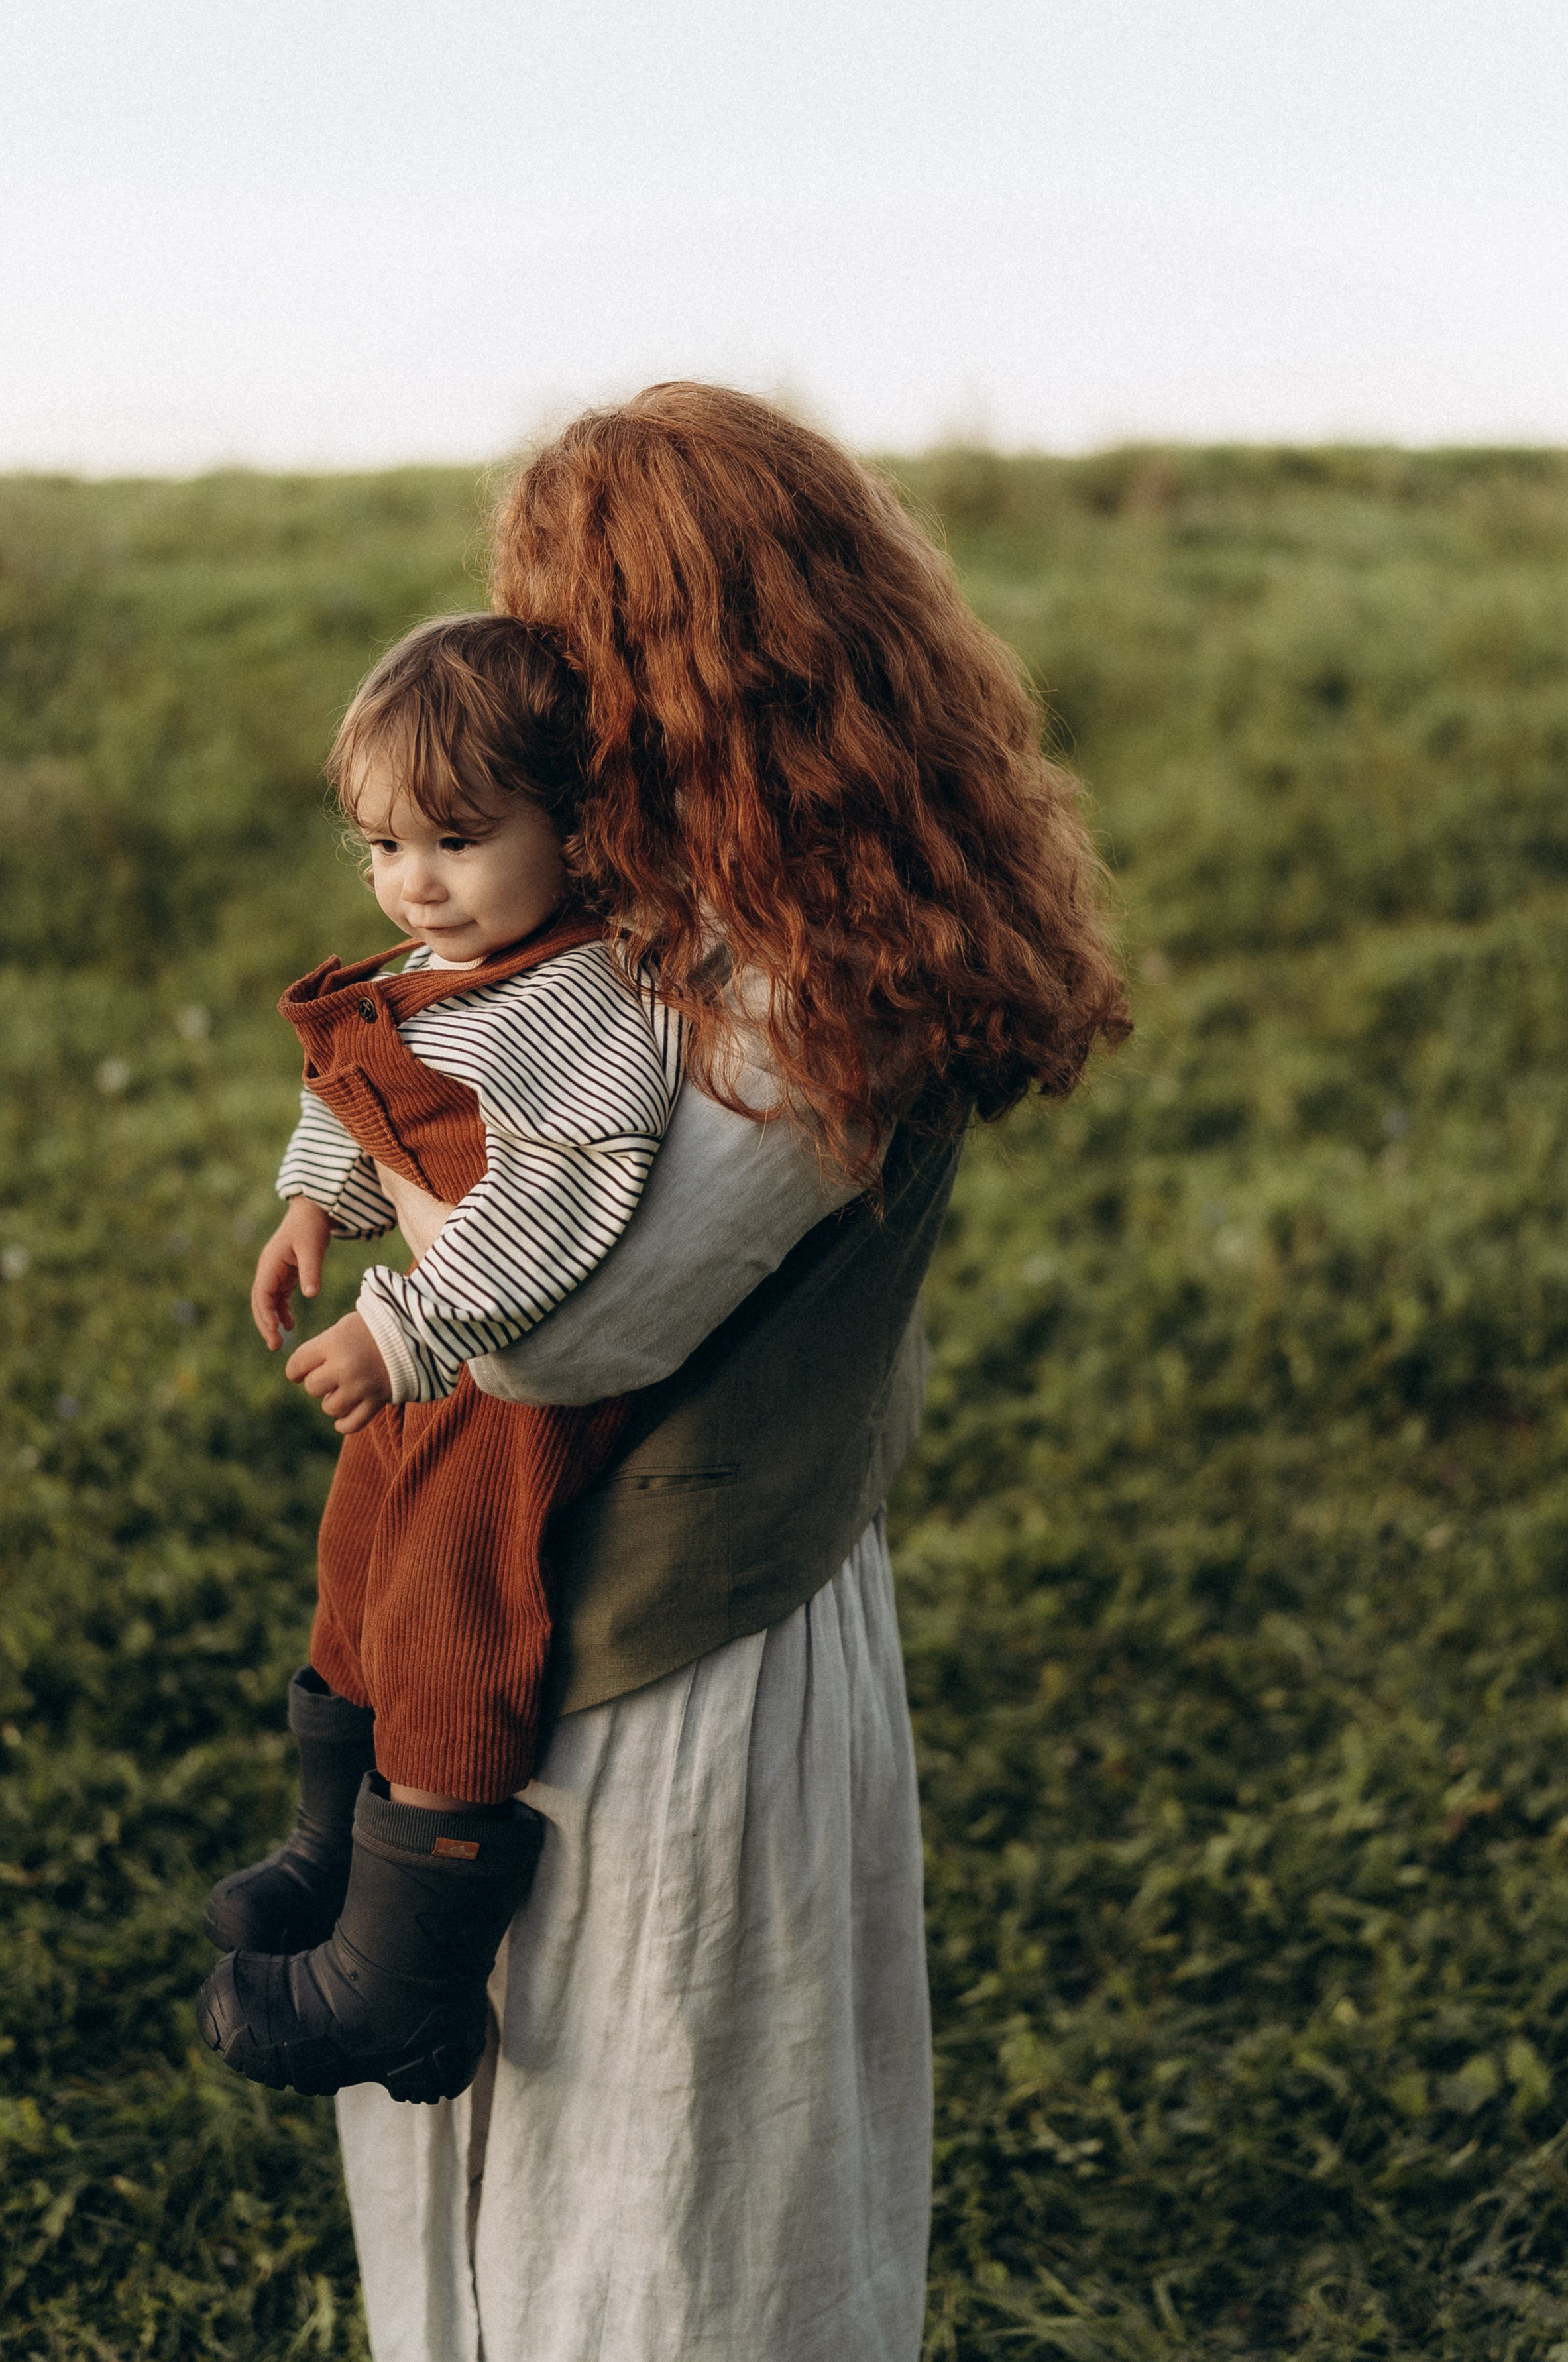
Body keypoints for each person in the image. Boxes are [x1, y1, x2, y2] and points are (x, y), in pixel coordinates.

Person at [302, 384, 1129, 2362]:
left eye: (565, 643)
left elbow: (572, 1332)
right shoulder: (673, 921)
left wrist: (415, 1153)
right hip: (596, 1612)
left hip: (688, 1659)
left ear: (681, 665)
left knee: (659, 2188)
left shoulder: (813, 978)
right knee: (539, 2135)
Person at [196, 614, 684, 2104]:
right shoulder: (458, 952)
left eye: (456, 841)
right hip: (431, 1347)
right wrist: (312, 1210)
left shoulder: (588, 1006)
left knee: (450, 1605)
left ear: (579, 827)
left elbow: (560, 1205)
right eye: (379, 846)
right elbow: (367, 1091)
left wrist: (401, 1324)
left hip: (510, 1371)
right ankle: (337, 1845)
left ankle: (406, 1982)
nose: (412, 883)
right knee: (358, 1556)